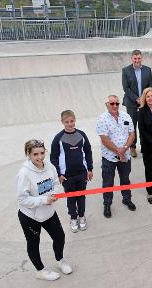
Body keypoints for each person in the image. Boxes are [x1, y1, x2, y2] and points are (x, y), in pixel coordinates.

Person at [17, 139, 72, 281]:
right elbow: (22, 199)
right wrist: (43, 200)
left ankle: (60, 260)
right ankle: (40, 270)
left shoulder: (49, 166)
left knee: (60, 237)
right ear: (28, 154)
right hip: (30, 216)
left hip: (48, 212)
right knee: (33, 243)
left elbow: (55, 182)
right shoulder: (24, 173)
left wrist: (53, 193)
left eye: (42, 153)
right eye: (35, 154)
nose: (40, 157)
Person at [50, 110, 93, 233]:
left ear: (75, 120)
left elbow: (88, 152)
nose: (70, 124)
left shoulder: (81, 135)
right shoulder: (58, 138)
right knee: (71, 198)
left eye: (72, 121)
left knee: (81, 196)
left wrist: (89, 169)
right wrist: (58, 174)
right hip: (67, 176)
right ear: (62, 122)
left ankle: (81, 216)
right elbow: (53, 157)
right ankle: (73, 218)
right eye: (67, 122)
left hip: (82, 173)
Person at [96, 95, 136, 218]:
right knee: (108, 182)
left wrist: (124, 149)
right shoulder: (102, 119)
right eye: (112, 103)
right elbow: (104, 139)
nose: (115, 106)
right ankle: (107, 204)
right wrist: (118, 151)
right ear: (107, 104)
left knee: (125, 179)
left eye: (117, 103)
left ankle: (127, 199)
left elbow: (132, 134)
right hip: (109, 157)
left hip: (125, 155)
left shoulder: (126, 116)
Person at [122, 49, 152, 158]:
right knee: (132, 126)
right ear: (132, 58)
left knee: (144, 125)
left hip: (145, 102)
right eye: (135, 58)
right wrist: (136, 99)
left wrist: (144, 98)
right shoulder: (126, 70)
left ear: (141, 58)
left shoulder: (147, 70)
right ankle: (133, 147)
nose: (137, 60)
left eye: (139, 58)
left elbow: (150, 86)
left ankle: (144, 145)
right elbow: (126, 88)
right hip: (131, 103)